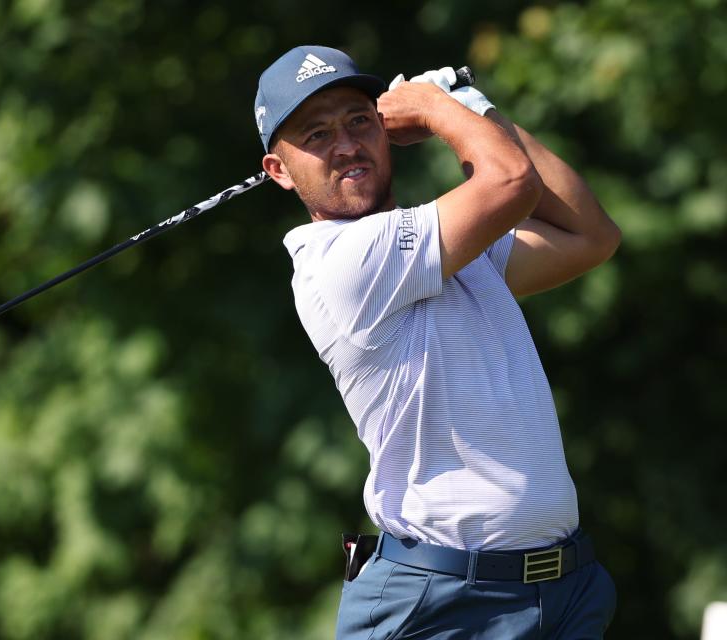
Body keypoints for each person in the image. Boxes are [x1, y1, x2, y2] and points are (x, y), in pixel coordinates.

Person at [254, 46, 622, 639]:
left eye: (357, 121)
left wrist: (472, 106)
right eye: (316, 135)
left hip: (564, 594)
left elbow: (591, 234)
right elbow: (508, 180)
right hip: (444, 606)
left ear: (381, 128)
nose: (345, 144)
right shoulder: (338, 261)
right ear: (278, 170)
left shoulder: (452, 250)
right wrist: (436, 107)